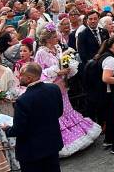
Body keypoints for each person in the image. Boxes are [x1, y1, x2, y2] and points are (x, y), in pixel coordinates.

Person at [34, 28, 101, 157]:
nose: (57, 39)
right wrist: (56, 72)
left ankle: (77, 137)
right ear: (47, 39)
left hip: (63, 85)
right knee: (58, 113)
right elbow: (39, 72)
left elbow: (63, 63)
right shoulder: (41, 53)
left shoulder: (58, 48)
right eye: (54, 37)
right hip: (51, 88)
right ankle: (63, 143)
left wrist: (68, 69)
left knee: (67, 110)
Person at [5, 62, 63, 172]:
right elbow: (59, 112)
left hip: (31, 151)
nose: (18, 76)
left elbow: (18, 130)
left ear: (29, 78)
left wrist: (7, 129)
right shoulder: (54, 88)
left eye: (21, 75)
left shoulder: (23, 100)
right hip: (52, 144)